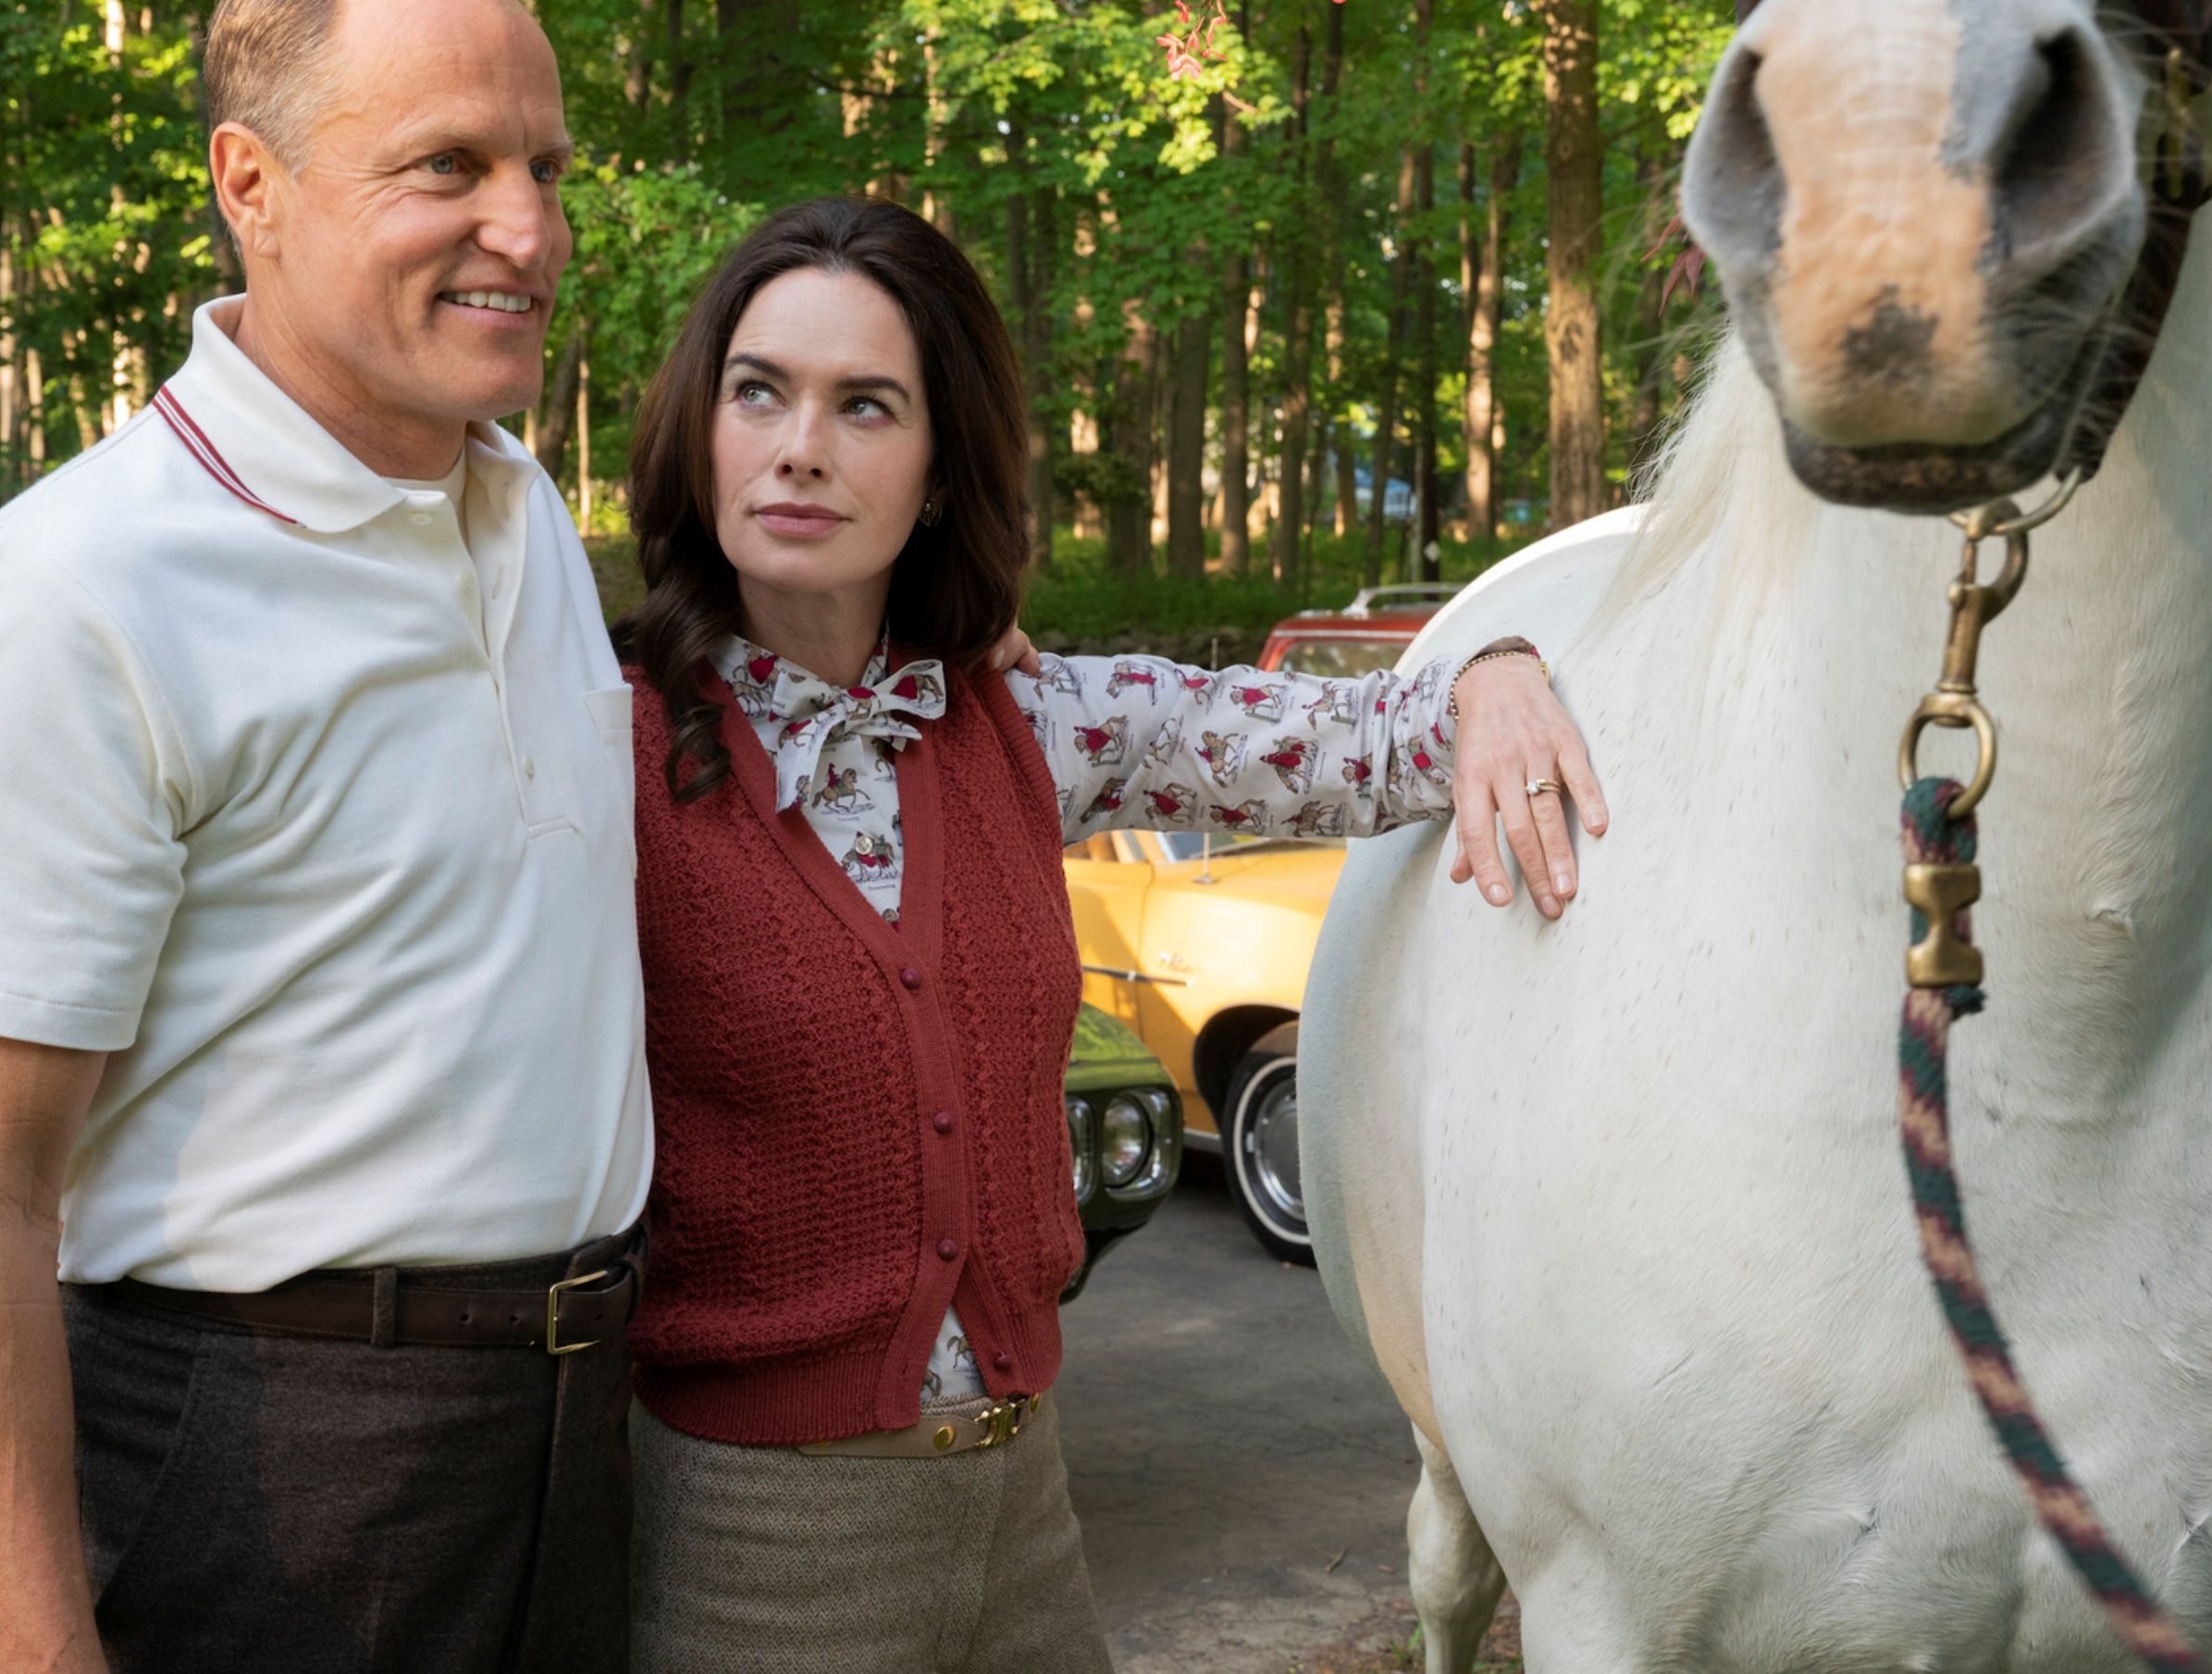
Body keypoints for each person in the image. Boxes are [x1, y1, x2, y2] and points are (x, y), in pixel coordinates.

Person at [616, 196, 1608, 1674]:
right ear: (701, 425)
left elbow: (1357, 739)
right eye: (758, 390)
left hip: (1026, 1521)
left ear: (942, 472)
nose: (799, 444)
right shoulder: (599, 749)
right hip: (751, 1549)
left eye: (865, 405)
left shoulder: (1031, 717)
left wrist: (1501, 662)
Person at [0, 0, 649, 1674]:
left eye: (545, 167)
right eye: (447, 162)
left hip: (583, 1439)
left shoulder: (526, 529)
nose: (527, 229)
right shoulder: (77, 597)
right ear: (251, 183)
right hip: (268, 1476)